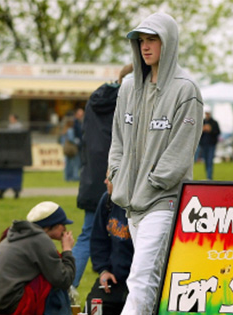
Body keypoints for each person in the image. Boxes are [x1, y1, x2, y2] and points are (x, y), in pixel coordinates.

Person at [107, 12, 203, 314]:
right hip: (130, 203)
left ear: (169, 42)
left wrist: (152, 183)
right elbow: (117, 141)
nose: (145, 47)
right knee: (152, 279)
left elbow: (180, 153)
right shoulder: (128, 87)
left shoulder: (186, 90)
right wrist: (117, 175)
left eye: (152, 39)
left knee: (141, 277)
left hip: (163, 200)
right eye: (141, 40)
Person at [72, 64, 133, 291]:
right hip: (116, 176)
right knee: (127, 232)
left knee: (88, 233)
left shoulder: (95, 99)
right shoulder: (128, 101)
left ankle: (69, 287)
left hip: (92, 176)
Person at [0, 201, 76, 315]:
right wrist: (67, 250)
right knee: (50, 280)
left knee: (49, 272)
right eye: (62, 224)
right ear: (53, 225)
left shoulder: (14, 235)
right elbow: (64, 280)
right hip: (10, 305)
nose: (65, 229)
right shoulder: (40, 240)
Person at [85, 177, 134, 315]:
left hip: (139, 281)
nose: (105, 181)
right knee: (92, 310)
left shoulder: (144, 206)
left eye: (110, 178)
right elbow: (98, 239)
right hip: (113, 277)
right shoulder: (107, 200)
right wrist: (103, 270)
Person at [197, 106, 221, 180]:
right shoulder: (202, 122)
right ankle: (208, 176)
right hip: (203, 144)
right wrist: (203, 129)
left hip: (211, 145)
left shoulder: (214, 123)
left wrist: (211, 130)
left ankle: (209, 177)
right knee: (206, 161)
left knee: (210, 160)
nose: (207, 114)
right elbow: (198, 133)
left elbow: (218, 132)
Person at [61, 117, 80, 181]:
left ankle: (67, 177)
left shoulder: (64, 130)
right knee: (74, 163)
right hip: (71, 149)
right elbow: (71, 139)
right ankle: (74, 176)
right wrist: (77, 141)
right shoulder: (70, 130)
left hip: (66, 148)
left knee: (67, 163)